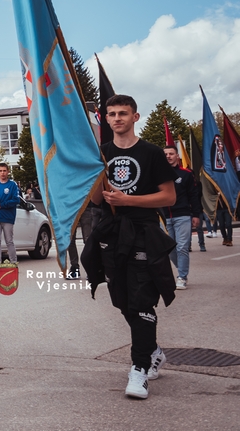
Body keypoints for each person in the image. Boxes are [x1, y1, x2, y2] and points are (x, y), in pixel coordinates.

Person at [81, 95, 176, 401]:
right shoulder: (102, 153)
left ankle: (139, 368)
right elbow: (97, 200)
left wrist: (128, 200)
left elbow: (169, 197)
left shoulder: (151, 153)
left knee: (141, 300)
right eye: (111, 114)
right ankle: (153, 351)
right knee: (122, 300)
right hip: (111, 233)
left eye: (123, 113)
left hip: (143, 232)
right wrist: (95, 178)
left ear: (135, 117)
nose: (117, 118)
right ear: (106, 119)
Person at [163, 146, 201, 289]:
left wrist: (196, 214)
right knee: (169, 248)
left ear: (177, 156)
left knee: (182, 247)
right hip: (165, 217)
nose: (168, 156)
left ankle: (182, 277)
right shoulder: (158, 173)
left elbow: (194, 195)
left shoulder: (186, 174)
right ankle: (182, 268)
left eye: (171, 154)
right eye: (165, 154)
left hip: (182, 215)